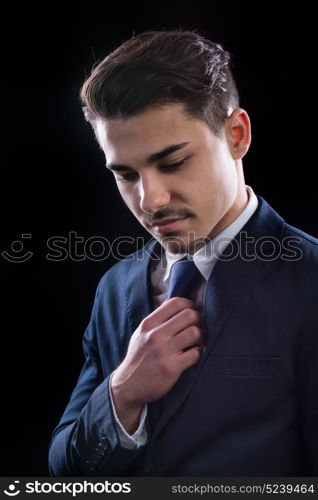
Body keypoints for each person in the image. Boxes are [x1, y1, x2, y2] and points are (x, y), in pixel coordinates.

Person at [48, 30, 318, 476]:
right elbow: (66, 469)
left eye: (172, 163)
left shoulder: (309, 282)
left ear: (236, 135)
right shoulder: (115, 288)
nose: (150, 200)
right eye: (125, 174)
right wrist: (123, 393)